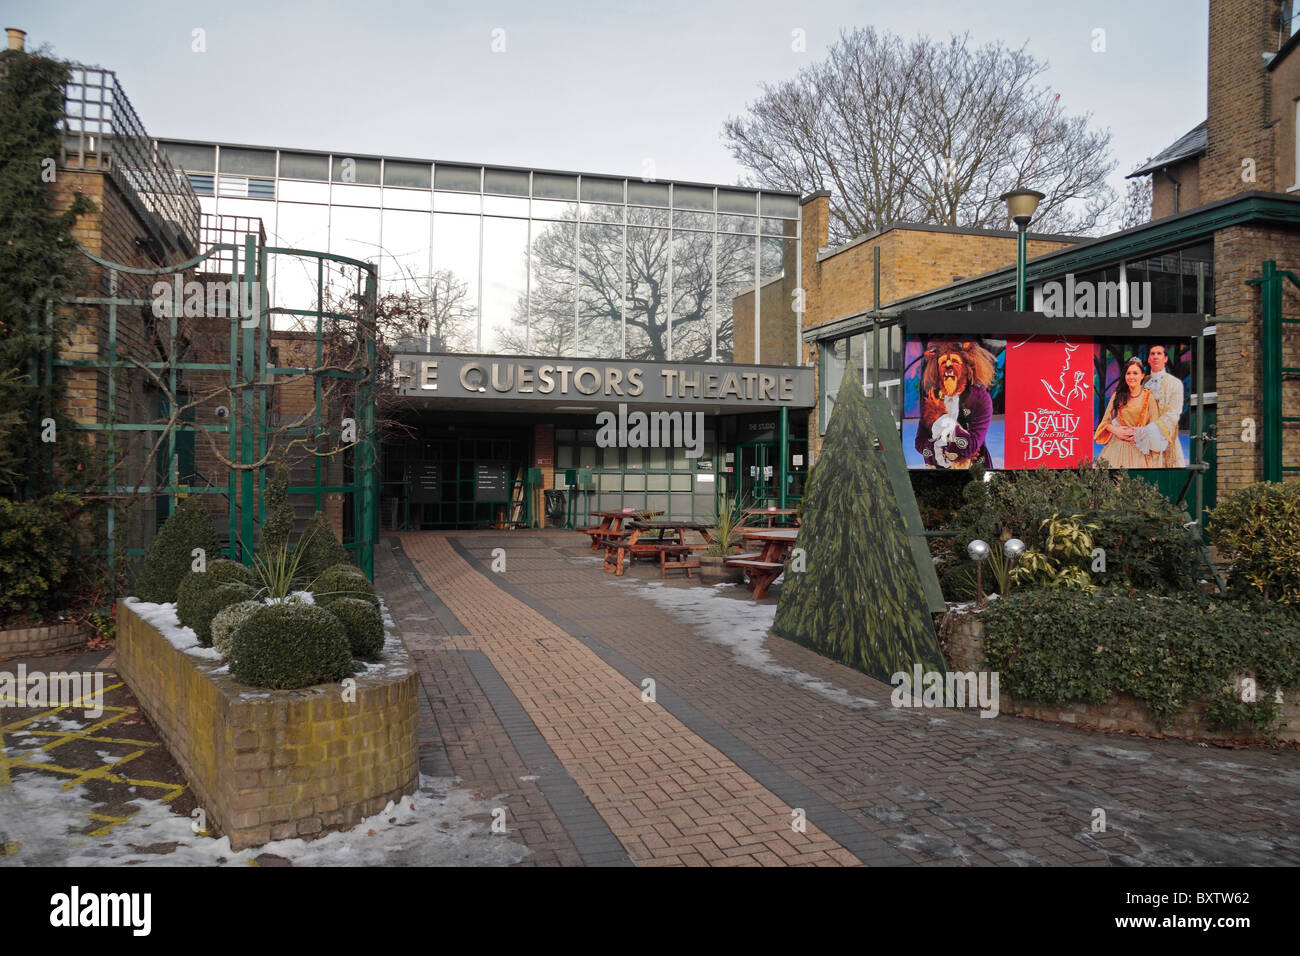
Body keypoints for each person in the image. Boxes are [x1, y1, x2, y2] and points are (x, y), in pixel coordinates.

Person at [1094, 357, 1168, 468]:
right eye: (1128, 373)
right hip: (1117, 449)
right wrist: (1115, 430)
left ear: (1142, 375)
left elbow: (1155, 428)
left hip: (1140, 450)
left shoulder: (1149, 398)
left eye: (1135, 373)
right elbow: (1105, 422)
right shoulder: (1118, 395)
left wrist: (1139, 433)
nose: (1131, 377)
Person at [1139, 344, 1187, 467]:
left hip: (1164, 437)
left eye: (1159, 353)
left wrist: (1153, 429)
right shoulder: (1142, 382)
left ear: (1165, 358)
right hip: (1141, 439)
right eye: (1152, 354)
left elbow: (1174, 412)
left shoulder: (1175, 384)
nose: (1155, 357)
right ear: (1149, 359)